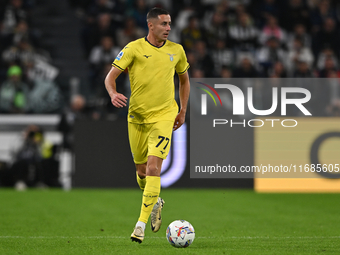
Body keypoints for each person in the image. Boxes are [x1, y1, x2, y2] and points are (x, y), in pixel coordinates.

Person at [104, 7, 190, 243]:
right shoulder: (134, 48)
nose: (168, 28)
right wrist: (112, 94)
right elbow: (110, 77)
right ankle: (155, 201)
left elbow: (184, 80)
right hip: (137, 117)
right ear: (151, 25)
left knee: (154, 169)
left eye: (170, 23)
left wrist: (182, 110)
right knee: (141, 172)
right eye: (163, 24)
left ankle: (140, 226)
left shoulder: (177, 51)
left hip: (164, 116)